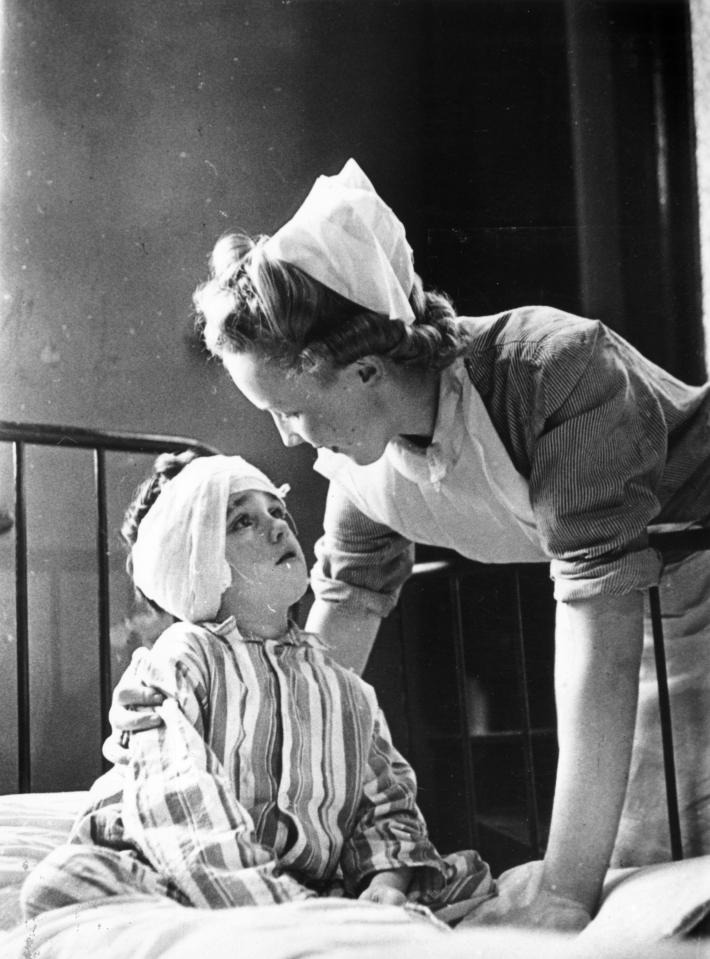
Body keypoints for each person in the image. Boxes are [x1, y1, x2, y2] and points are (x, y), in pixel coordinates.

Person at [110, 159, 710, 932]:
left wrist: (564, 884)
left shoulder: (553, 369)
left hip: (691, 583)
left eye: (290, 410)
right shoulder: (363, 463)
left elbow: (600, 620)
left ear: (364, 371)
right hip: (646, 613)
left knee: (666, 877)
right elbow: (337, 627)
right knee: (650, 881)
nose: (286, 437)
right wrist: (260, 788)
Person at [21, 451, 494, 921]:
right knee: (71, 876)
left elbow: (387, 808)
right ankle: (277, 914)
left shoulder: (344, 687)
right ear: (199, 563)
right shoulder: (186, 656)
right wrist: (281, 905)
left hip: (300, 881)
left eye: (277, 511)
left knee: (467, 878)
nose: (278, 527)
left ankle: (304, 913)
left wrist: (383, 885)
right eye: (241, 522)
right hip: (174, 860)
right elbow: (180, 804)